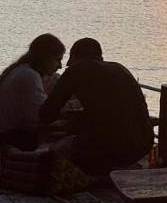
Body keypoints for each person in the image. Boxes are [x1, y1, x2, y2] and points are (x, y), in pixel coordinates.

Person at [38, 37, 152, 173]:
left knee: (56, 149)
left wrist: (64, 118)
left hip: (109, 147)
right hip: (142, 145)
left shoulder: (76, 71)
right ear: (100, 57)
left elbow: (46, 114)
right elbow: (111, 112)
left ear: (73, 58)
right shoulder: (120, 69)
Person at [0, 33, 65, 148]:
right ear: (45, 58)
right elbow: (43, 115)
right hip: (8, 139)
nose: (60, 66)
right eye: (57, 60)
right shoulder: (29, 76)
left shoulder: (18, 70)